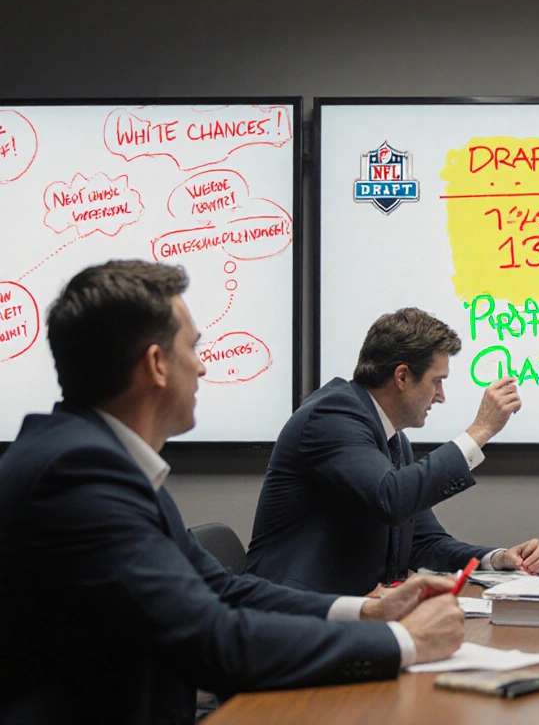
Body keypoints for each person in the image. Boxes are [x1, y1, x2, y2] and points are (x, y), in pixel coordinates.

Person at [0, 261, 466, 725]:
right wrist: (405, 642)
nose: (203, 367)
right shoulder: (80, 475)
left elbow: (222, 589)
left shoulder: (99, 460)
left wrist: (371, 611)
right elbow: (212, 639)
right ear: (156, 364)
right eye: (194, 347)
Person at [245, 307, 539, 596]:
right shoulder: (332, 415)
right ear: (402, 377)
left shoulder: (392, 441)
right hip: (287, 615)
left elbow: (424, 541)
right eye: (437, 382)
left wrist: (497, 559)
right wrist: (480, 431)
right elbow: (390, 498)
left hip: (343, 614)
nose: (441, 397)